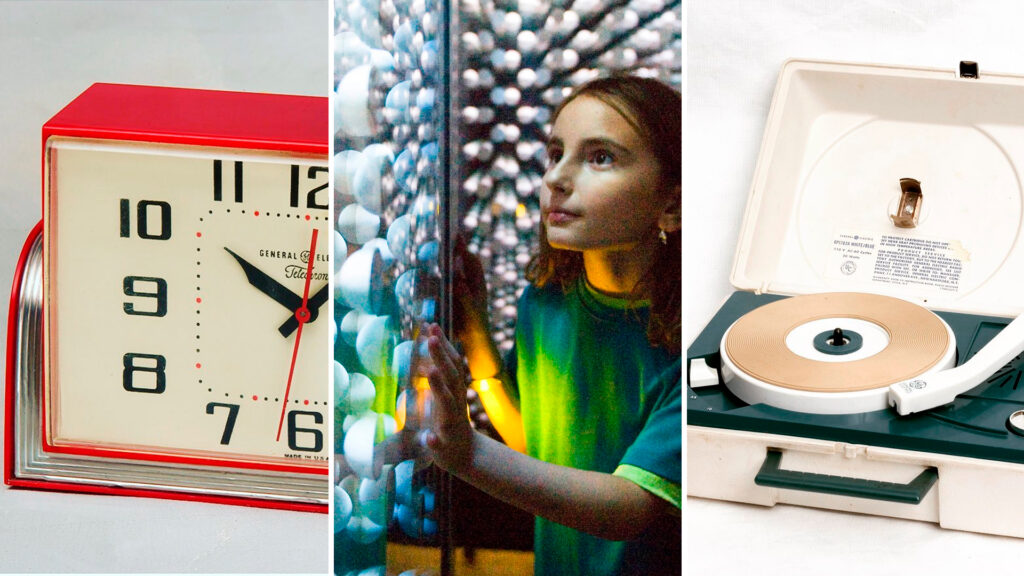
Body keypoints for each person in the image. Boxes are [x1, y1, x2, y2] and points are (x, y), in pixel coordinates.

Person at [421, 75, 681, 576]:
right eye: (556, 153)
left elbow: (630, 506)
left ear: (671, 203)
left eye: (600, 157)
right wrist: (476, 339)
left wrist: (468, 454)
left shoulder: (694, 347)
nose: (556, 178)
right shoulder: (544, 304)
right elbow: (532, 444)